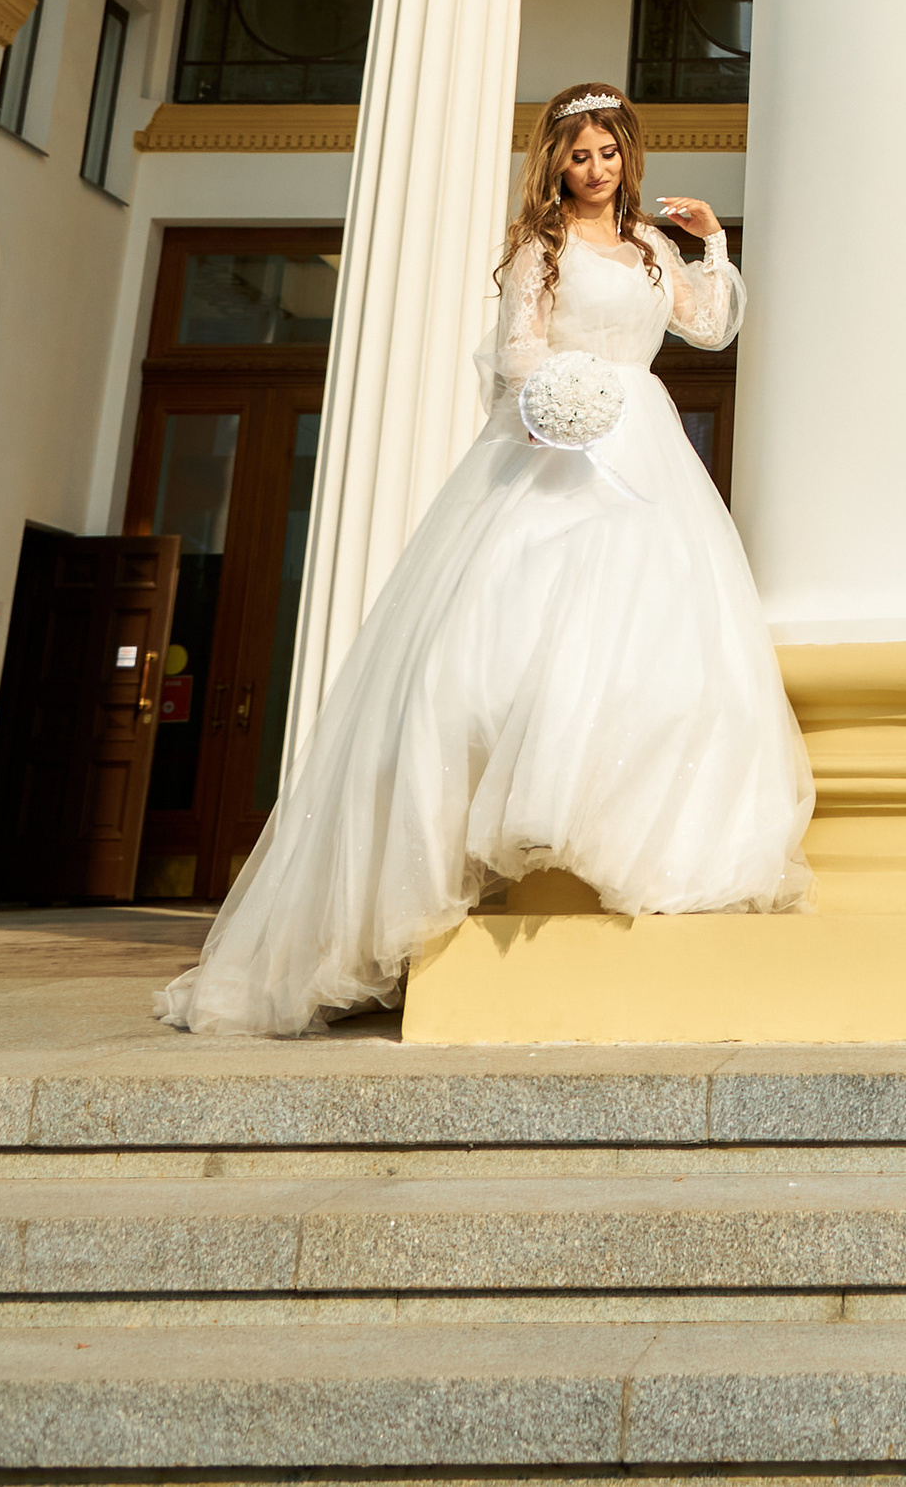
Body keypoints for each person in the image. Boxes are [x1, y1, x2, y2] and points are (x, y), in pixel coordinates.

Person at [158, 83, 813, 1035]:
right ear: (556, 164)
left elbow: (707, 327)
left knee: (663, 641)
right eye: (578, 156)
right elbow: (517, 354)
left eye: (608, 153)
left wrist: (712, 242)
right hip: (558, 445)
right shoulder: (538, 251)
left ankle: (649, 841)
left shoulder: (653, 248)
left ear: (630, 155)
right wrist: (566, 398)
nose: (595, 170)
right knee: (497, 652)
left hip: (648, 457)